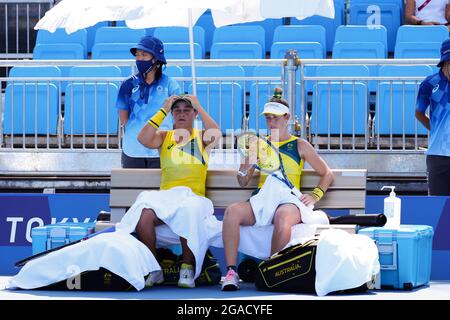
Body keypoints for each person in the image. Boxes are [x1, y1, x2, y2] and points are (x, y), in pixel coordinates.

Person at [220, 88, 334, 291]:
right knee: (231, 213)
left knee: (282, 218)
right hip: (262, 198)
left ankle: (270, 270)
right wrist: (248, 168)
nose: (271, 122)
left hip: (289, 200)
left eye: (275, 118)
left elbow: (327, 174)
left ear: (287, 117)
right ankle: (230, 272)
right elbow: (241, 181)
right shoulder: (257, 144)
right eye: (268, 118)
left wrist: (315, 196)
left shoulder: (300, 145)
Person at [125, 94, 221, 288]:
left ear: (194, 114)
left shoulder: (201, 137)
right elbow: (143, 138)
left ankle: (187, 267)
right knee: (144, 216)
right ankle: (153, 268)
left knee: (188, 210)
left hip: (193, 198)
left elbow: (216, 133)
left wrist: (199, 105)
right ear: (172, 114)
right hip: (168, 199)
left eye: (187, 110)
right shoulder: (163, 136)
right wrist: (164, 109)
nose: (182, 114)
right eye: (177, 110)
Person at [116, 35, 181, 168]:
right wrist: (137, 129)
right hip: (132, 148)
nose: (139, 59)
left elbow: (178, 116)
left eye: (144, 55)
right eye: (137, 55)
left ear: (156, 59)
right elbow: (123, 116)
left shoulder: (170, 84)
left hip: (161, 148)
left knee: (161, 189)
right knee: (132, 188)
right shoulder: (127, 84)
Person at [415, 38, 450, 196]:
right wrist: (435, 128)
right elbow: (419, 113)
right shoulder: (429, 83)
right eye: (448, 61)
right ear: (443, 62)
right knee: (437, 205)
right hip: (438, 154)